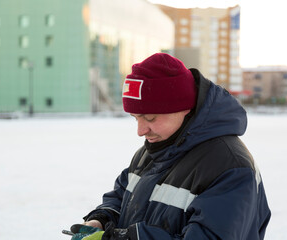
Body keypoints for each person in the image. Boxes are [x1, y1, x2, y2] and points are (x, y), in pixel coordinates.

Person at [69, 53, 271, 240]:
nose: (141, 130)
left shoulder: (230, 167)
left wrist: (126, 238)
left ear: (183, 108)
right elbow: (123, 195)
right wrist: (102, 219)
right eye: (136, 117)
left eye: (150, 117)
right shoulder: (155, 148)